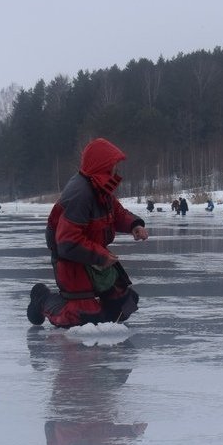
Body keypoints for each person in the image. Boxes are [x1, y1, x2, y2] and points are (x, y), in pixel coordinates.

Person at [28, 138, 148, 328]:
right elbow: (67, 242)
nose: (117, 170)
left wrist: (134, 225)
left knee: (123, 306)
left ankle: (99, 308)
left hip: (93, 256)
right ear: (102, 167)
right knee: (83, 317)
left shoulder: (101, 189)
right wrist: (100, 256)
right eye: (114, 166)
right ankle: (42, 299)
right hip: (70, 260)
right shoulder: (80, 194)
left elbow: (117, 213)